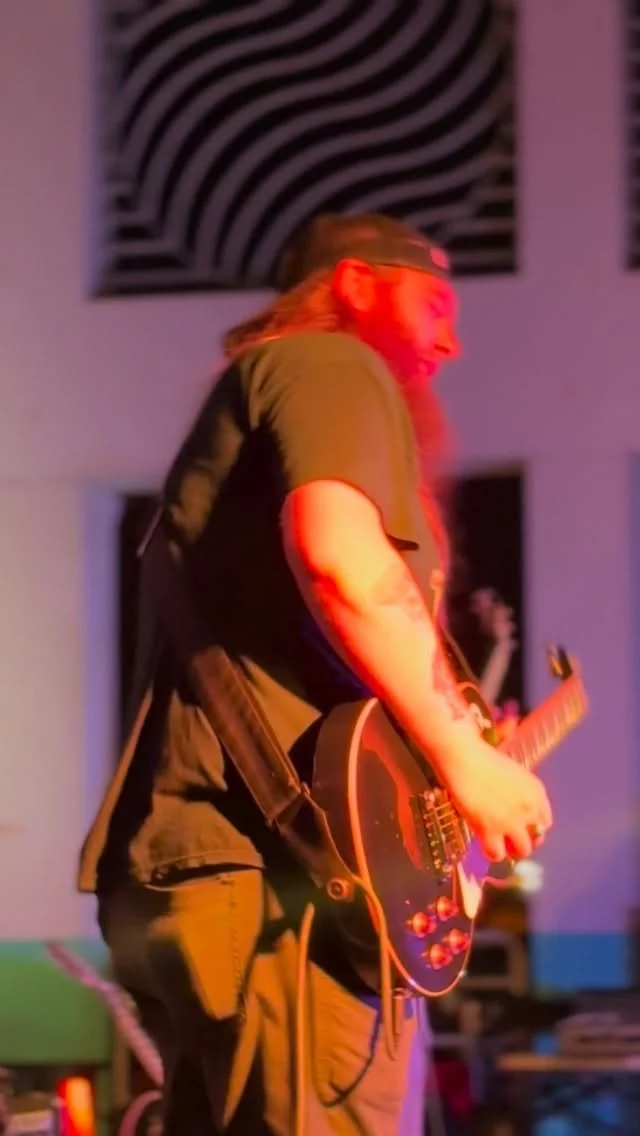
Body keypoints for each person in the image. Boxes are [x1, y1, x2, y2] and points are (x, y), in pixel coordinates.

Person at [77, 213, 552, 1135]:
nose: (452, 341)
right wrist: (467, 759)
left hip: (224, 881)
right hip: (285, 891)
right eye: (434, 305)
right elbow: (340, 559)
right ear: (357, 286)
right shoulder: (330, 361)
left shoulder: (264, 404)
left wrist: (449, 805)